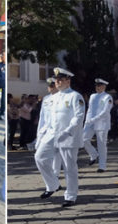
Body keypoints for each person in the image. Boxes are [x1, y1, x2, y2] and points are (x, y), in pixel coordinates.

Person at [34, 68, 83, 206]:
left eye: (60, 79)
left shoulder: (75, 96)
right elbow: (48, 118)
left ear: (68, 80)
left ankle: (71, 196)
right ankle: (53, 185)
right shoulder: (53, 98)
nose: (57, 82)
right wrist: (42, 136)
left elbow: (78, 117)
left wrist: (68, 131)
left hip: (68, 136)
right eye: (56, 80)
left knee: (69, 167)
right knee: (39, 157)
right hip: (52, 134)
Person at [83, 78, 113, 172]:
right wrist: (87, 122)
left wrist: (93, 119)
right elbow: (90, 109)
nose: (97, 87)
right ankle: (93, 154)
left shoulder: (107, 97)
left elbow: (105, 112)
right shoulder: (92, 96)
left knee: (101, 145)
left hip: (102, 124)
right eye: (96, 85)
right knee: (83, 139)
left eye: (99, 85)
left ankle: (102, 166)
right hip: (90, 122)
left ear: (104, 86)